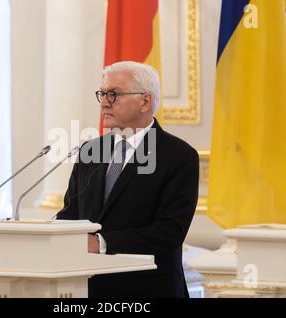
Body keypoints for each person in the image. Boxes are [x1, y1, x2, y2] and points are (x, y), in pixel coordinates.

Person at [56, 61, 199, 298]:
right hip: (89, 291)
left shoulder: (178, 156)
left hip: (149, 291)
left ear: (145, 101)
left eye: (113, 94)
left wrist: (102, 242)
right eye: (102, 94)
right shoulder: (91, 151)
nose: (103, 102)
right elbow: (70, 214)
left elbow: (170, 231)